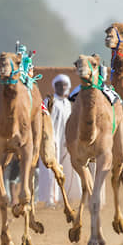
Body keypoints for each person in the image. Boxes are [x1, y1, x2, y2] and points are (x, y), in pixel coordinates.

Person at [44, 74, 82, 204]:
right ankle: (51, 199)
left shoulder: (67, 103)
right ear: (54, 86)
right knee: (52, 170)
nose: (62, 87)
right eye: (59, 85)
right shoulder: (49, 101)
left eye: (65, 85)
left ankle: (69, 197)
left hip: (66, 140)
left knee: (69, 168)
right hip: (52, 140)